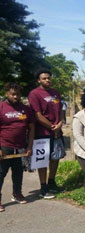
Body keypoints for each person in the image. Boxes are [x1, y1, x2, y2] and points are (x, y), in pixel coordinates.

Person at [28, 69, 65, 199]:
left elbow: (61, 110)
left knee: (55, 158)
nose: (47, 80)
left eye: (48, 78)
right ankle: (43, 187)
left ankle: (52, 182)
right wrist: (52, 126)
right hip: (42, 132)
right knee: (43, 160)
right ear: (39, 80)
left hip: (56, 131)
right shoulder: (34, 94)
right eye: (44, 78)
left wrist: (59, 124)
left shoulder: (55, 93)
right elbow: (37, 115)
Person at [0, 83, 35, 212]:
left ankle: (17, 193)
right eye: (12, 94)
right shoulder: (1, 108)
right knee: (1, 173)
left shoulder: (25, 109)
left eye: (18, 94)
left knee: (18, 173)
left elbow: (31, 129)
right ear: (6, 94)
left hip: (20, 147)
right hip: (4, 147)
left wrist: (29, 146)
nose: (15, 96)